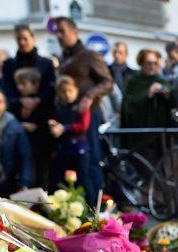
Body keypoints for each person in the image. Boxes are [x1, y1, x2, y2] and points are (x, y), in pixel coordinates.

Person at [55, 16, 113, 197]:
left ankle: (96, 208)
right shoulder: (63, 58)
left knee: (91, 162)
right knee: (73, 166)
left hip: (89, 115)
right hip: (68, 116)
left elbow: (107, 82)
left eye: (62, 31)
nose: (58, 35)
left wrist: (89, 96)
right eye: (56, 31)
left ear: (74, 32)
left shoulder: (89, 55)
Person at [120, 48, 171, 160]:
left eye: (155, 63)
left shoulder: (162, 81)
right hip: (139, 133)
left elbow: (172, 100)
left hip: (158, 135)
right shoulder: (134, 81)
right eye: (148, 63)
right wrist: (148, 94)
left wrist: (167, 95)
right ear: (142, 63)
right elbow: (129, 104)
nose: (152, 66)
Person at [9, 66, 53, 192]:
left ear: (35, 84)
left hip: (40, 149)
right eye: (18, 84)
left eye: (23, 84)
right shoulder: (15, 103)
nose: (20, 88)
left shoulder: (45, 103)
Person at [49, 75, 92, 194]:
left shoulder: (81, 106)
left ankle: (90, 207)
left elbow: (83, 126)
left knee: (83, 180)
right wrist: (53, 125)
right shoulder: (59, 107)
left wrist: (64, 128)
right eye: (63, 91)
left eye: (70, 91)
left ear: (76, 90)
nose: (67, 94)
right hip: (63, 149)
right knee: (62, 182)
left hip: (79, 150)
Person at [2, 24, 56, 104]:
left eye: (25, 38)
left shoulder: (46, 64)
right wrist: (21, 101)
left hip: (43, 110)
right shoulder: (8, 65)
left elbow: (50, 88)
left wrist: (37, 100)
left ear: (33, 39)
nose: (22, 42)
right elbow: (7, 89)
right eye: (18, 39)